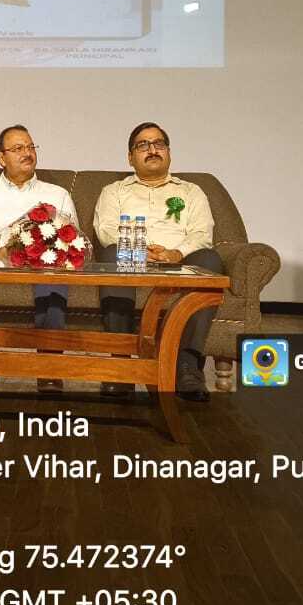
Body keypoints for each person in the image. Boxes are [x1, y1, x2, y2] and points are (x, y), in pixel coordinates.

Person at [93, 122, 223, 403]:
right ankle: (120, 366)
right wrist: (140, 251)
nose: (152, 150)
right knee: (112, 254)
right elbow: (106, 230)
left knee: (210, 260)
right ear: (130, 157)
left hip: (180, 260)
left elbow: (202, 233)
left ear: (169, 152)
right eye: (143, 145)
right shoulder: (114, 191)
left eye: (159, 144)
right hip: (131, 258)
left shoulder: (191, 191)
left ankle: (186, 366)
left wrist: (176, 253)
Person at [0, 125, 76, 393]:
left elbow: (70, 239)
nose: (27, 153)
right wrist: (0, 249)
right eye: (18, 148)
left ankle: (49, 366)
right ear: (1, 158)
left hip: (42, 264)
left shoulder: (57, 194)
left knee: (56, 270)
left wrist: (39, 252)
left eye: (31, 147)